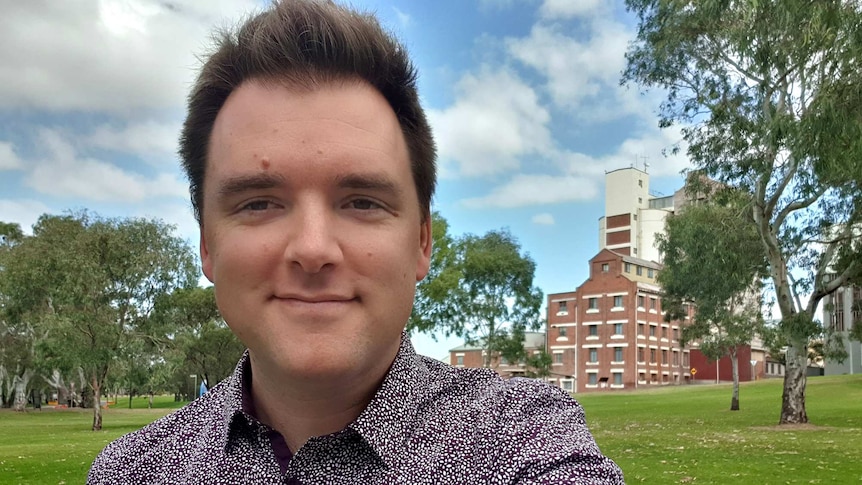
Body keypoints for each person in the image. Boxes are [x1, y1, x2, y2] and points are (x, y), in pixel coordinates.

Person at [87, 1, 624, 483]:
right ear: (207, 245)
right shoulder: (130, 470)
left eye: (362, 202)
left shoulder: (528, 443)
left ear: (421, 242)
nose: (314, 249)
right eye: (259, 203)